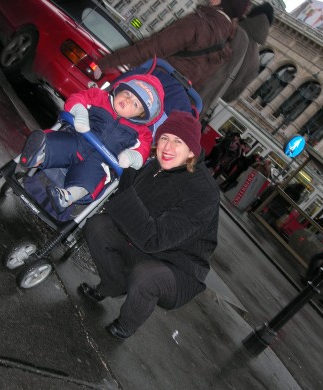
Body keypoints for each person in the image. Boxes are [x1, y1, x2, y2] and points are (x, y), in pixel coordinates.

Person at [79, 111, 220, 340]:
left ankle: (127, 323)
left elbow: (155, 238)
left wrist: (126, 184)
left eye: (178, 141)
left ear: (192, 151)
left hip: (177, 267)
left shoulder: (204, 191)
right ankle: (113, 284)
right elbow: (124, 213)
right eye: (165, 138)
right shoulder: (154, 165)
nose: (168, 147)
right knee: (97, 226)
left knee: (145, 276)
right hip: (141, 246)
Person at [19, 72, 164, 214]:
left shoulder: (141, 133)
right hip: (77, 140)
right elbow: (78, 98)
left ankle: (67, 197)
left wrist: (131, 157)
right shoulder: (100, 97)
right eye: (128, 94)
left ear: (141, 115)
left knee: (91, 180)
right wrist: (80, 112)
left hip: (100, 162)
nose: (127, 100)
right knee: (61, 142)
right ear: (121, 88)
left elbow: (144, 150)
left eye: (135, 104)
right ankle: (38, 155)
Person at [96, 0, 251, 92]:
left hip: (143, 85)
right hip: (165, 97)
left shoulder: (199, 23)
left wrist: (106, 63)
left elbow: (153, 47)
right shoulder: (225, 41)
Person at [199, 2, 275, 116]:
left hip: (181, 89)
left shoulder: (231, 30)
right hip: (199, 109)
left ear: (251, 13)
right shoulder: (255, 61)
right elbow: (230, 97)